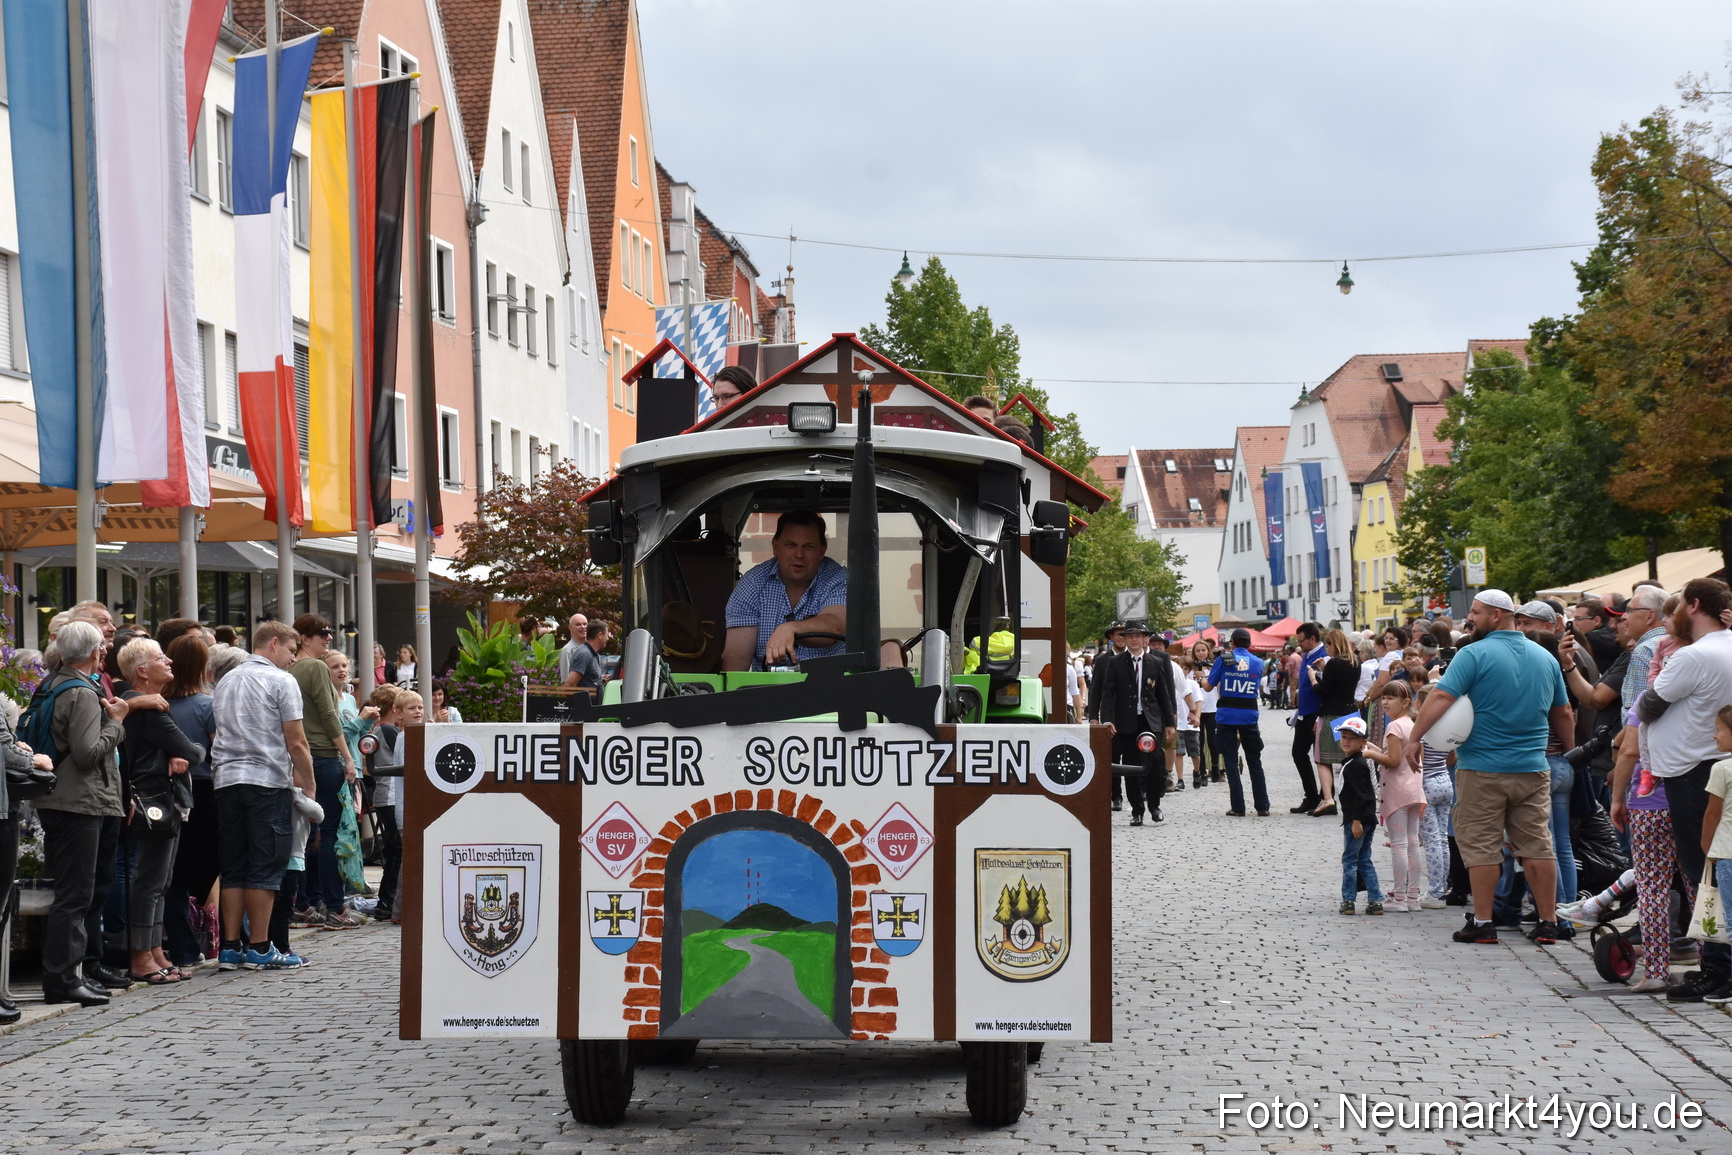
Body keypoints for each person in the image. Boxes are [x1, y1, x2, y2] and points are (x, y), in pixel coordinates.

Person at [1409, 590, 1570, 946]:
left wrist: (1414, 737)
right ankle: (1547, 922)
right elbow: (1563, 712)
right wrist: (1570, 751)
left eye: (1477, 613)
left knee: (1481, 846)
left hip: (1482, 768)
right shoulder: (1545, 657)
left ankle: (1483, 922)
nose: (1471, 619)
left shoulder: (1474, 654)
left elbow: (1440, 696)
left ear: (1497, 615)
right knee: (1538, 845)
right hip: (1532, 767)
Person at [1635, 577, 1732, 1002]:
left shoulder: (1693, 656)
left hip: (1692, 769)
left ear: (1693, 606)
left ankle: (1718, 970)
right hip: (1705, 765)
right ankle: (1717, 966)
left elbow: (1647, 705)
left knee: (1702, 871)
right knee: (1714, 868)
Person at [31, 620, 130, 1006]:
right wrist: (117, 724)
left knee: (70, 892)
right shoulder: (82, 692)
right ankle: (62, 978)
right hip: (79, 801)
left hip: (58, 798)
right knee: (75, 894)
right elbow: (89, 754)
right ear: (95, 653)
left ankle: (65, 974)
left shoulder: (51, 683)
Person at [213, 620, 314, 971]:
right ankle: (259, 946)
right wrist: (309, 783)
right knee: (266, 864)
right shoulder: (281, 681)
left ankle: (229, 947)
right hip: (266, 780)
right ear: (274, 643)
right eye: (290, 650)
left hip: (226, 780)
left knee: (234, 866)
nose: (292, 658)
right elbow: (296, 741)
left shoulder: (225, 680)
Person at [115, 637, 205, 984]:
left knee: (158, 881)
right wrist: (183, 752)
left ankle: (153, 951)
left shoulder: (142, 703)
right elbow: (194, 751)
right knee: (151, 881)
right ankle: (142, 956)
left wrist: (176, 754)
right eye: (159, 658)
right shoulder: (147, 707)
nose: (168, 660)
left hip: (156, 799)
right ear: (142, 671)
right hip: (152, 800)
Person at [287, 614, 362, 930]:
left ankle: (304, 903)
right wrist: (347, 757)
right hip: (322, 756)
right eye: (322, 633)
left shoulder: (290, 669)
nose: (329, 637)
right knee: (330, 834)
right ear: (304, 638)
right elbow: (330, 715)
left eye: (330, 632)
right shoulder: (314, 667)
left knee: (305, 838)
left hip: (301, 758)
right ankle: (335, 908)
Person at [721, 509, 848, 671]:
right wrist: (733, 695)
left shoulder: (838, 578)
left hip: (830, 687)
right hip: (767, 691)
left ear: (821, 551)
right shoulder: (752, 584)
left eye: (808, 547)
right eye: (791, 545)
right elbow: (736, 656)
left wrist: (790, 628)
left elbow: (834, 625)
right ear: (775, 547)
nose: (799, 554)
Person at [1089, 620, 1176, 825]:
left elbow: (1163, 694)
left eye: (1139, 636)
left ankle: (1154, 805)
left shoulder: (1155, 662)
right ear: (1125, 639)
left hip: (1150, 721)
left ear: (1145, 639)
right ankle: (1137, 810)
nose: (1135, 639)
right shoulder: (1115, 662)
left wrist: (1169, 722)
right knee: (1130, 766)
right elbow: (1107, 694)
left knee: (1155, 761)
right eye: (1130, 636)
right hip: (1125, 722)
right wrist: (1107, 720)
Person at [1366, 682, 1423, 911]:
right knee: (1412, 843)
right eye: (1383, 698)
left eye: (1391, 698)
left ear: (1405, 702)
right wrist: (1376, 749)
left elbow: (1393, 761)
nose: (1385, 702)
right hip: (1413, 790)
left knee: (1399, 844)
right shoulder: (1412, 725)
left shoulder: (1394, 727)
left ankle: (1399, 898)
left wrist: (1369, 753)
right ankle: (1413, 896)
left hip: (1397, 791)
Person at [1203, 628, 1269, 817]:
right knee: (1255, 761)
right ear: (1249, 644)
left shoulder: (1223, 659)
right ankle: (1263, 806)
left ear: (1232, 642)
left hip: (1227, 715)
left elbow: (1208, 687)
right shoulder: (1257, 662)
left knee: (1231, 762)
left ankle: (1238, 808)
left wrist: (1202, 679)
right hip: (1249, 715)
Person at [1699, 705, 1732, 1006]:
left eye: (1719, 729)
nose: (1714, 734)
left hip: (1727, 853)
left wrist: (1707, 849)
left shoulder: (1721, 768)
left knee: (1730, 923)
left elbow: (1712, 813)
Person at [1335, 717, 1384, 915]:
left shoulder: (1355, 765)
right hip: (1368, 819)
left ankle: (1348, 900)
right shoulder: (1357, 762)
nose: (1346, 741)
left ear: (1363, 742)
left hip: (1357, 820)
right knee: (1364, 860)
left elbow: (1361, 796)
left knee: (1350, 860)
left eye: (1352, 739)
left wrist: (1355, 821)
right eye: (1344, 737)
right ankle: (1375, 900)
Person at [1309, 629, 1359, 816]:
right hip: (1350, 713)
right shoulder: (1355, 663)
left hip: (1331, 714)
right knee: (1349, 757)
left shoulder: (1334, 664)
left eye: (1328, 645)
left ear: (1334, 644)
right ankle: (1352, 796)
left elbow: (1323, 691)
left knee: (1322, 758)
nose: (1326, 649)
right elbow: (1340, 685)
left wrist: (1314, 678)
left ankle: (1328, 798)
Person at [1414, 685, 1455, 909]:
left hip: (1427, 784)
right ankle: (1442, 886)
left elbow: (1417, 763)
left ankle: (1435, 891)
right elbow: (1453, 757)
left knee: (1430, 840)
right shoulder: (1448, 728)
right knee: (1442, 838)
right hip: (1444, 781)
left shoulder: (1422, 729)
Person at [1289, 622, 1328, 813]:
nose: (1299, 645)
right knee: (1298, 752)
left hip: (1317, 712)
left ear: (1312, 638)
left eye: (1301, 641)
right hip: (1304, 713)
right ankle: (1311, 796)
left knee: (1321, 756)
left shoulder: (1323, 656)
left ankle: (1326, 797)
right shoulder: (1306, 655)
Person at [1190, 640, 1222, 782]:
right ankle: (1202, 771)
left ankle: (1215, 767)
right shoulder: (1191, 669)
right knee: (1199, 742)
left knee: (1213, 742)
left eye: (1203, 650)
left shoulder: (1215, 667)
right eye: (1198, 651)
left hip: (1213, 707)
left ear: (1208, 651)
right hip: (1198, 709)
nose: (1201, 653)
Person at [563, 620, 612, 696]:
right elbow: (569, 685)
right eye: (606, 635)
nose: (607, 638)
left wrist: (600, 679)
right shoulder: (584, 654)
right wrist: (581, 705)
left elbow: (586, 679)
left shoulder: (593, 654)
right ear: (599, 635)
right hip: (586, 707)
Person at [557, 613, 591, 684]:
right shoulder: (567, 650)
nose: (583, 627)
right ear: (570, 627)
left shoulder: (590, 648)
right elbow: (566, 681)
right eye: (578, 624)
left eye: (585, 624)